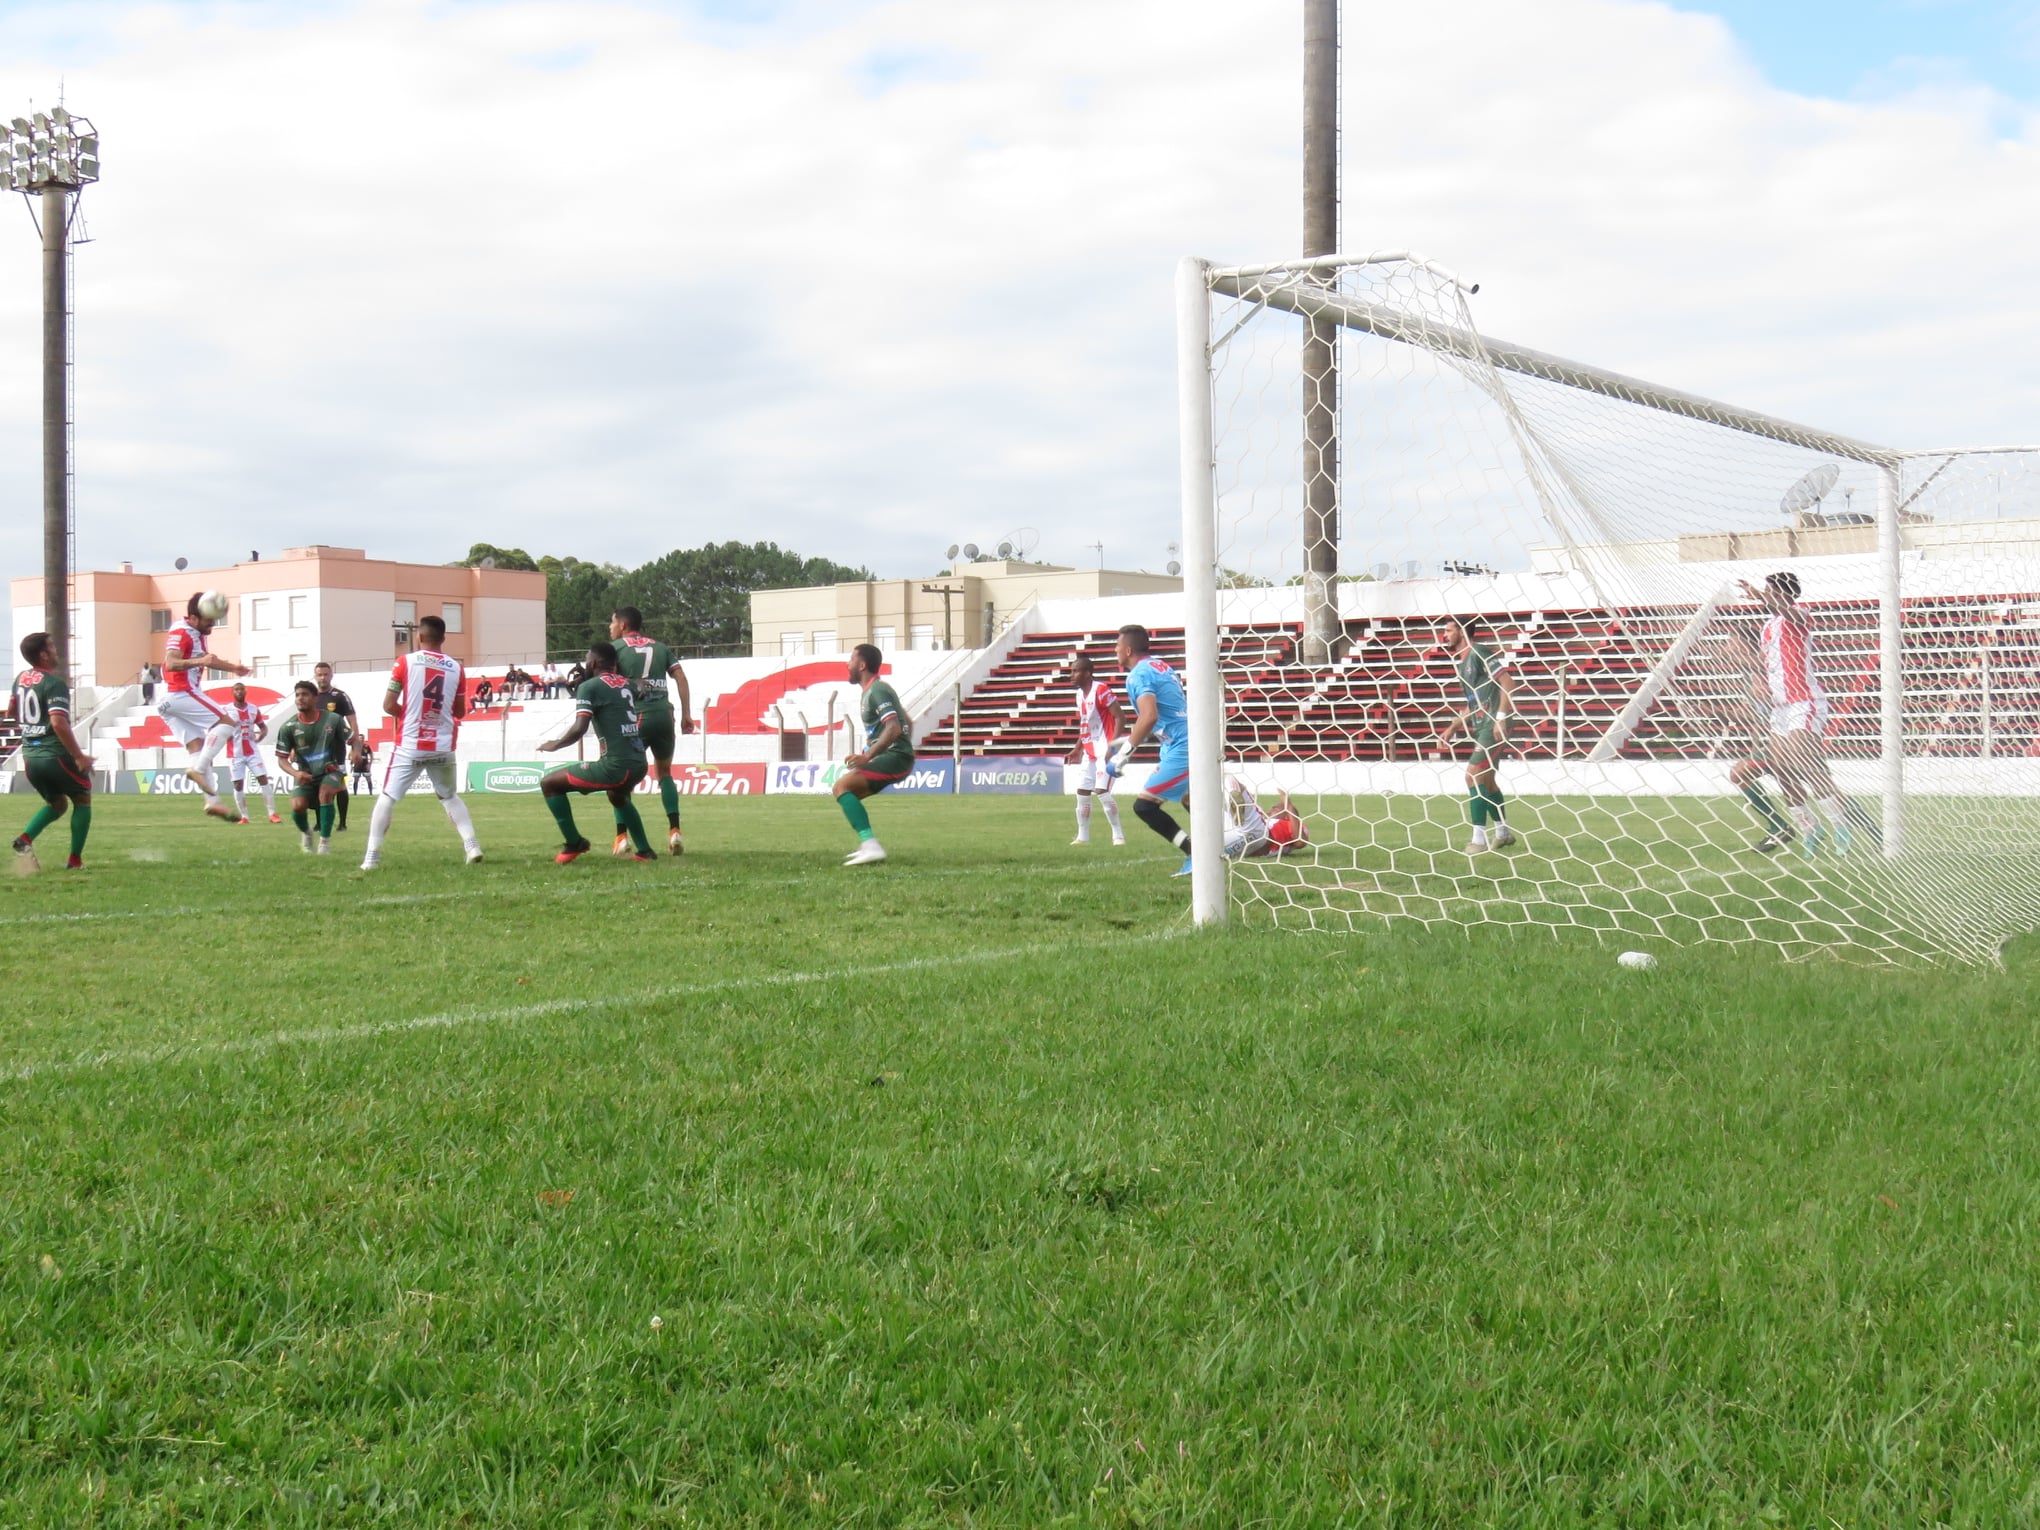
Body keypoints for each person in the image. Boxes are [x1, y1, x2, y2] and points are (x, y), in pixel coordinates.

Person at [1738, 571, 1863, 855]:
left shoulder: (1799, 614)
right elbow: (1768, 660)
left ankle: (1841, 825)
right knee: (1783, 771)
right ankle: (1810, 828)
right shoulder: (1768, 626)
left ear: (1783, 593)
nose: (1763, 594)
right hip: (1780, 708)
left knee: (1806, 762)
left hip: (1804, 702)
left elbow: (1789, 614)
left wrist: (1762, 598)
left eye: (1768, 590)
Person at [360, 615, 483, 870]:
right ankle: (472, 845)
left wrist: (410, 714)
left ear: (419, 637)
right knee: (449, 796)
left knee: (387, 797)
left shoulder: (405, 662)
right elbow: (459, 711)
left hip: (411, 743)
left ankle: (371, 857)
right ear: (444, 638)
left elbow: (388, 705)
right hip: (443, 743)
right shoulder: (456, 667)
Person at [535, 641, 654, 864]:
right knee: (617, 795)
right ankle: (645, 851)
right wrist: (640, 684)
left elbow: (580, 728)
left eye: (588, 659)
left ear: (593, 662)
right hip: (638, 762)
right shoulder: (627, 684)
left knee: (549, 784)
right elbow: (640, 686)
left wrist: (556, 744)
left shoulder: (589, 687)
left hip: (616, 766)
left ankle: (574, 843)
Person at [1105, 624, 1193, 877]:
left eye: (1118, 646)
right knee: (1192, 800)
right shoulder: (1161, 666)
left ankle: (1195, 853)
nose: (1115, 651)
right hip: (1179, 741)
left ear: (1128, 649)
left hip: (1182, 745)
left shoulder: (1138, 675)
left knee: (1145, 807)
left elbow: (1150, 716)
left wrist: (1124, 755)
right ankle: (1220, 846)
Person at [609, 605, 696, 857]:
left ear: (623, 625)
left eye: (612, 623)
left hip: (636, 717)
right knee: (665, 773)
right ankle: (675, 831)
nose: (610, 627)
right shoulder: (661, 647)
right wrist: (686, 713)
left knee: (621, 779)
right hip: (665, 715)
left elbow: (610, 683)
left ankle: (621, 837)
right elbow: (680, 677)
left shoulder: (615, 649)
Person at [159, 592, 250, 822]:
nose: (212, 624)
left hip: (171, 701)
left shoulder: (195, 632)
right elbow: (171, 662)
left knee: (198, 747)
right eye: (209, 619)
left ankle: (213, 801)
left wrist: (233, 667)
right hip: (181, 693)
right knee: (230, 721)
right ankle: (198, 771)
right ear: (193, 617)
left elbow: (209, 658)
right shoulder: (182, 632)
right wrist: (201, 662)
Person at [8, 632, 92, 871]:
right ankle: (74, 860)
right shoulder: (54, 683)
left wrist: (30, 727)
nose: (56, 650)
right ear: (43, 655)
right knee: (82, 798)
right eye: (52, 647)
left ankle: (25, 839)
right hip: (53, 753)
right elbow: (58, 723)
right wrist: (78, 756)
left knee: (58, 804)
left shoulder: (20, 678)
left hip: (30, 757)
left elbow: (12, 709)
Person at [1435, 616, 1519, 853]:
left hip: (1494, 724)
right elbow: (1474, 704)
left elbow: (1508, 683)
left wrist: (1501, 718)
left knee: (1472, 776)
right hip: (1482, 724)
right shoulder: (1462, 664)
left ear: (1462, 632)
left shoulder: (1480, 652)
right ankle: (1503, 833)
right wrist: (1453, 727)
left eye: (1449, 630)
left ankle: (1478, 840)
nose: (1445, 635)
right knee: (1488, 782)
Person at [832, 643, 914, 866]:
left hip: (896, 757)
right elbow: (908, 723)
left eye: (851, 659)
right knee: (849, 794)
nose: (847, 664)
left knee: (842, 787)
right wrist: (871, 751)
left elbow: (895, 728)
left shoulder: (877, 691)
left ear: (862, 664)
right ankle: (867, 844)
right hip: (896, 755)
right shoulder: (875, 690)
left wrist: (869, 757)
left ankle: (870, 845)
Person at [274, 679, 349, 854]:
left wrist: (356, 751)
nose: (300, 698)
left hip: (330, 770)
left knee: (326, 792)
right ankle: (307, 833)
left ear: (315, 698)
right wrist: (296, 773)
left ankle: (324, 843)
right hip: (305, 774)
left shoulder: (333, 719)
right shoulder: (288, 727)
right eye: (298, 695)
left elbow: (352, 739)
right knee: (297, 807)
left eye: (305, 695)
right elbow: (282, 760)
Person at [1064, 652, 1125, 847]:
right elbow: (1085, 725)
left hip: (1106, 749)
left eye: (1075, 671)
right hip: (1090, 751)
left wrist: (1113, 747)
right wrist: (1077, 749)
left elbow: (1120, 717)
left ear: (1088, 673)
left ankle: (1118, 835)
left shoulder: (1101, 690)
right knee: (1082, 791)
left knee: (1101, 791)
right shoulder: (1078, 695)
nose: (1071, 675)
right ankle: (1083, 837)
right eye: (1071, 671)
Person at [222, 681, 281, 825]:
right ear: (233, 692)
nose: (239, 692)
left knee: (263, 779)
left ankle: (272, 814)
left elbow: (263, 727)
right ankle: (244, 817)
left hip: (252, 752)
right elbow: (219, 729)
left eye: (242, 689)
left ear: (245, 692)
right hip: (235, 754)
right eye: (236, 690)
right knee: (238, 785)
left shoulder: (254, 709)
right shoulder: (226, 710)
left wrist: (261, 736)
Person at [311, 662, 360, 831]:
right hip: (315, 751)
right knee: (317, 785)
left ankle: (343, 823)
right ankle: (320, 822)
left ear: (331, 675)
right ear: (315, 676)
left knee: (339, 785)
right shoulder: (311, 696)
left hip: (336, 748)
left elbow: (352, 721)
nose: (323, 677)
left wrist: (355, 747)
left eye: (326, 674)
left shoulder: (340, 696)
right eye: (320, 674)